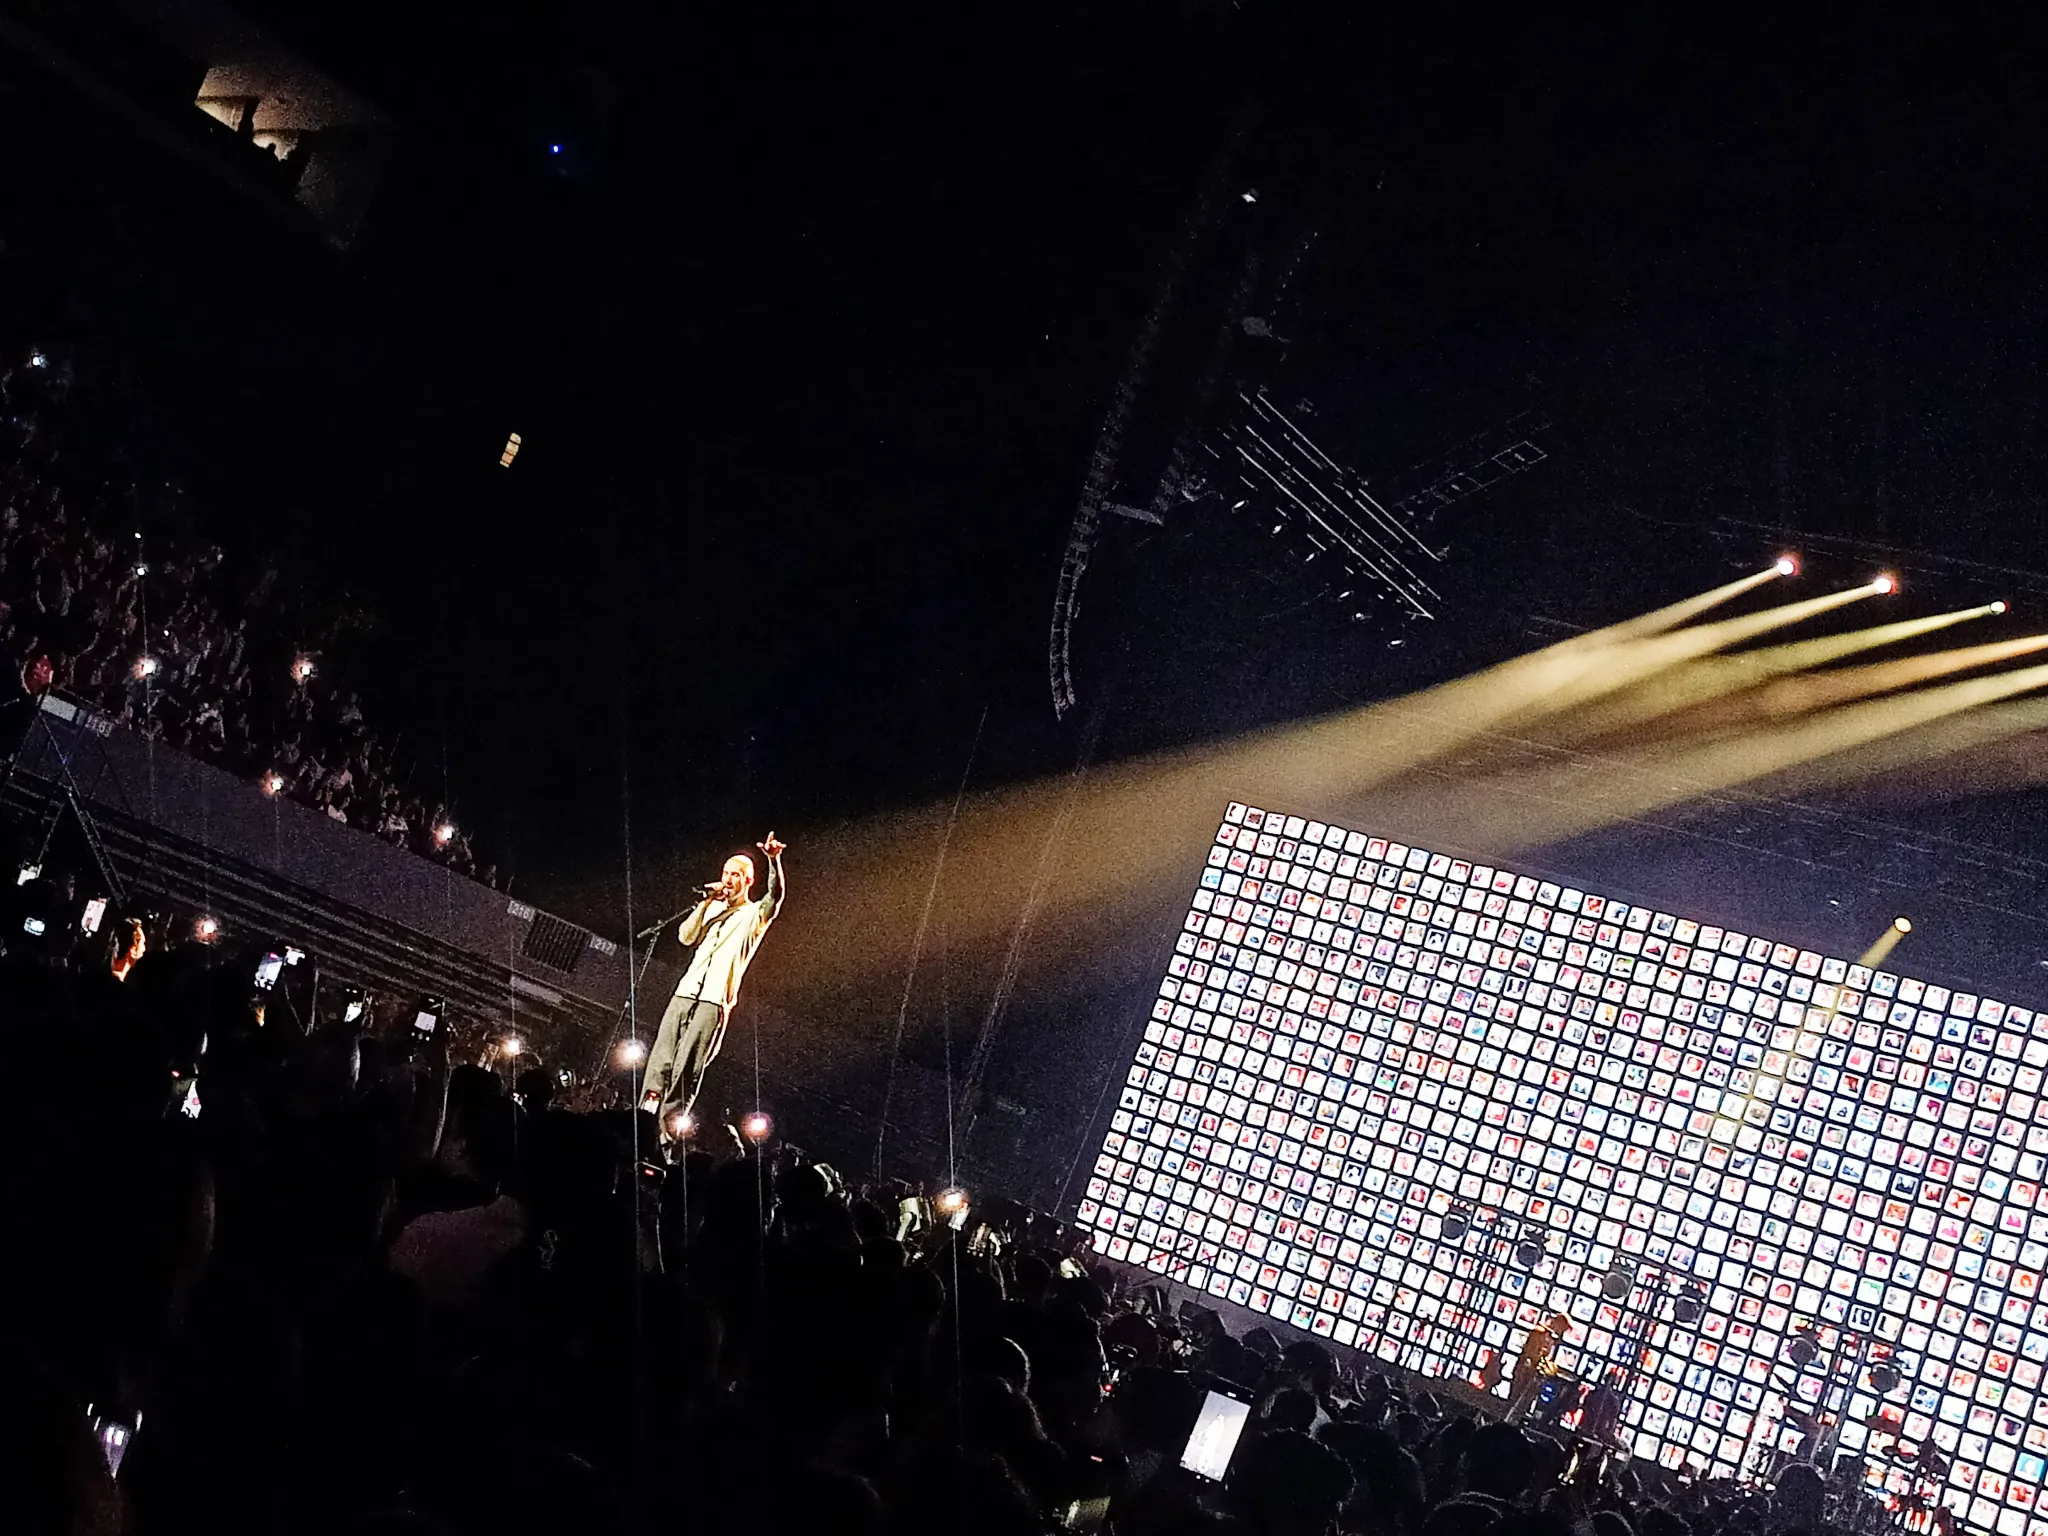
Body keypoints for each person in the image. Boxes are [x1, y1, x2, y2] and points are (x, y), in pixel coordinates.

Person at [642, 832, 786, 1136]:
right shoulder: (713, 909)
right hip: (685, 992)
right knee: (659, 1063)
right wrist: (707, 902)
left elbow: (775, 896)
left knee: (685, 1071)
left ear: (748, 881)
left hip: (714, 1000)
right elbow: (685, 937)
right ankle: (642, 1122)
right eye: (726, 873)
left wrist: (774, 861)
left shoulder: (753, 914)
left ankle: (664, 1139)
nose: (729, 879)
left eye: (736, 875)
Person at [1504, 1311, 1572, 1423]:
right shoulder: (1540, 1332)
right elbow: (1530, 1352)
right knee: (1516, 1397)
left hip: (1536, 1376)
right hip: (1525, 1371)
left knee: (1526, 1401)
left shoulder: (1555, 1341)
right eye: (1562, 1328)